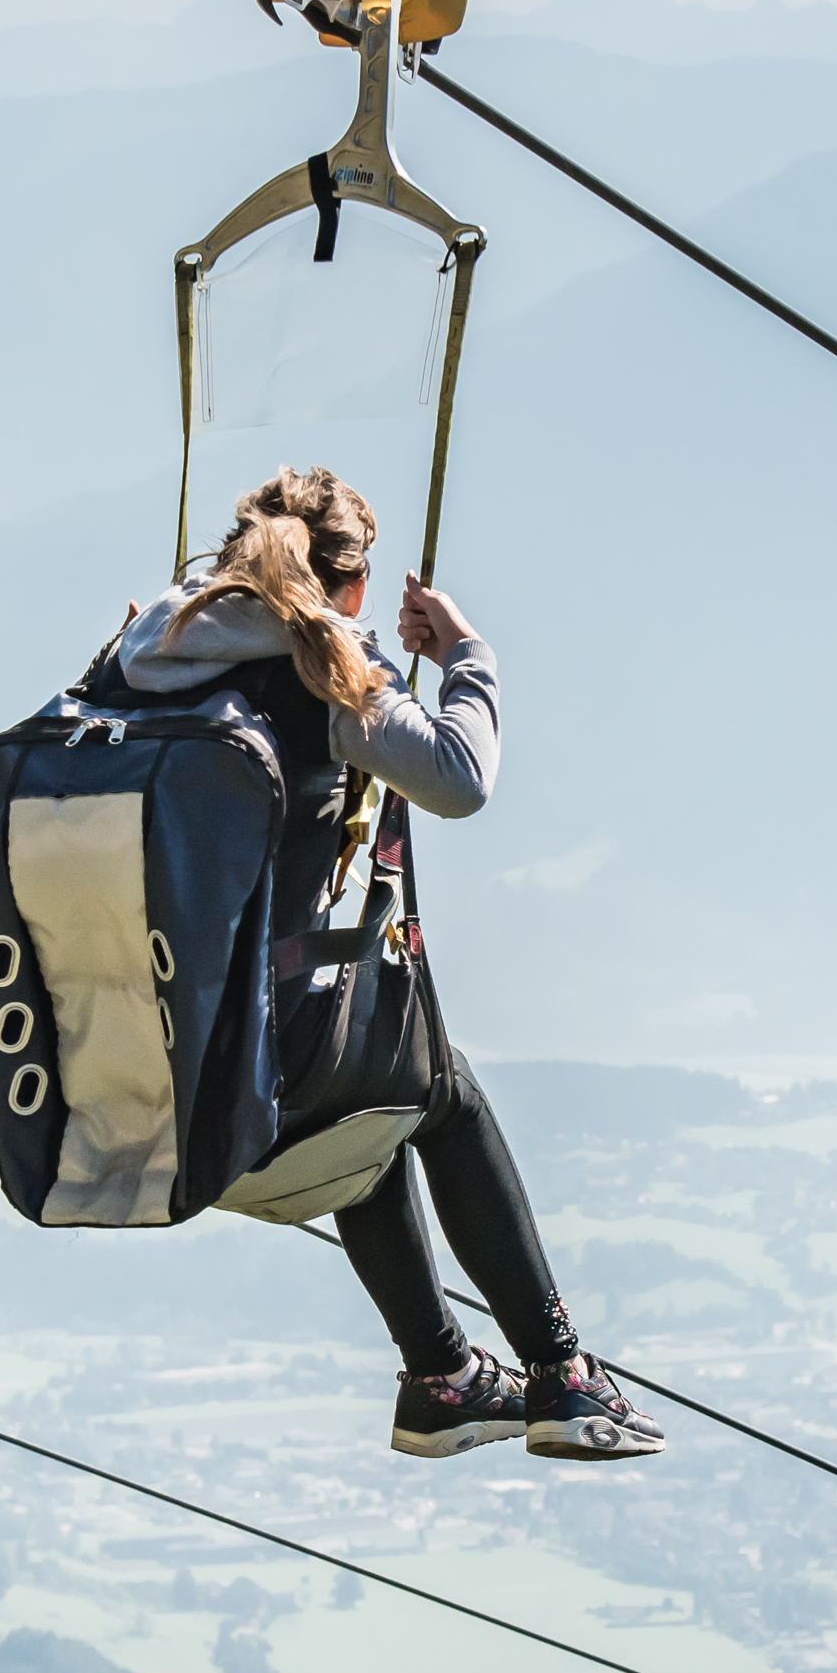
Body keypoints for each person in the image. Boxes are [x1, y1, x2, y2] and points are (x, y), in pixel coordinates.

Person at [104, 466, 662, 1463]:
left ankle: (441, 1374)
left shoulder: (139, 651)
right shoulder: (324, 665)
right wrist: (466, 659)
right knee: (437, 1086)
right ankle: (562, 1374)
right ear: (353, 586)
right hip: (273, 1076)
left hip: (147, 1083)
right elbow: (458, 780)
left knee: (369, 1091)